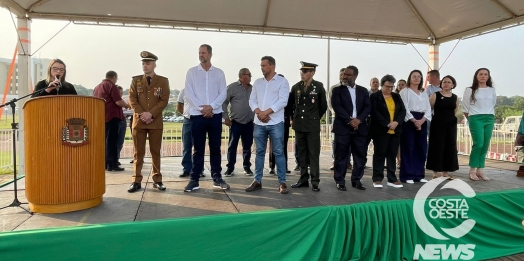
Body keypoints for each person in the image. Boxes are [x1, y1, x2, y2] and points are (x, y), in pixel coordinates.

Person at [183, 44, 229, 192]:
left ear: (210, 54)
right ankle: (194, 179)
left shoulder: (219, 73)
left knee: (215, 148)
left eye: (203, 52)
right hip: (198, 116)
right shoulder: (191, 72)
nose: (201, 55)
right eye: (199, 53)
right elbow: (188, 94)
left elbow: (223, 93)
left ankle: (217, 178)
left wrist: (212, 107)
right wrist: (203, 108)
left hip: (215, 116)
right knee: (198, 149)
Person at [246, 56, 290, 194]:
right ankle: (257, 180)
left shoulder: (282, 81)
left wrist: (267, 112)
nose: (261, 68)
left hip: (276, 122)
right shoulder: (258, 83)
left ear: (272, 66)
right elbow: (252, 99)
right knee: (259, 152)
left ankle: (282, 182)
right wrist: (259, 112)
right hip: (259, 122)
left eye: (264, 65)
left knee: (278, 152)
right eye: (261, 65)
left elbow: (283, 101)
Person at [127, 51, 170, 193]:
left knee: (155, 152)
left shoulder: (163, 81)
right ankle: (136, 180)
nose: (145, 66)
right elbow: (132, 99)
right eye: (143, 63)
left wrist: (150, 114)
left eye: (148, 63)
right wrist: (142, 114)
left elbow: (164, 100)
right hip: (139, 122)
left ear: (154, 64)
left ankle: (157, 179)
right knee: (138, 153)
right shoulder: (136, 80)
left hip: (155, 122)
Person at [288, 62, 327, 192]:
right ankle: (303, 179)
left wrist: (314, 117)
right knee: (302, 153)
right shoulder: (296, 87)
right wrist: (293, 118)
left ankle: (315, 181)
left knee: (313, 154)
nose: (302, 74)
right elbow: (291, 105)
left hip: (312, 125)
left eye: (305, 72)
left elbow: (323, 106)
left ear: (312, 72)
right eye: (301, 71)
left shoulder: (319, 86)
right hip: (299, 124)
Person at [331, 65, 371, 191]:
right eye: (343, 74)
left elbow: (368, 107)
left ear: (355, 76)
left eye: (348, 75)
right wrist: (350, 121)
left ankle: (356, 180)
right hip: (343, 128)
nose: (344, 76)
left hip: (360, 128)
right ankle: (340, 181)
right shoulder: (337, 90)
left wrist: (359, 120)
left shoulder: (363, 91)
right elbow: (337, 107)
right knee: (341, 156)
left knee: (360, 156)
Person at [370, 75, 406, 188]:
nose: (389, 89)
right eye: (387, 86)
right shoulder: (375, 96)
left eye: (391, 86)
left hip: (395, 130)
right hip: (381, 130)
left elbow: (402, 111)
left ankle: (392, 178)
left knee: (392, 154)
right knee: (380, 154)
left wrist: (396, 122)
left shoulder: (396, 96)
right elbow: (375, 112)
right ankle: (377, 178)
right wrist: (387, 124)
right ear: (382, 85)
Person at [462, 68, 496, 181]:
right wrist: (471, 118)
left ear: (488, 76)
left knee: (485, 144)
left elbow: (493, 103)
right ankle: (472, 169)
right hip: (475, 117)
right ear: (476, 76)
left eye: (485, 74)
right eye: (480, 74)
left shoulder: (491, 90)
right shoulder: (470, 90)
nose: (483, 76)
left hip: (489, 117)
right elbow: (465, 107)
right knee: (479, 143)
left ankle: (480, 169)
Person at [399, 70, 432, 184]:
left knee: (421, 147)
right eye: (414, 76)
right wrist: (414, 120)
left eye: (419, 76)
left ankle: (419, 174)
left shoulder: (423, 92)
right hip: (409, 120)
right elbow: (404, 108)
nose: (416, 78)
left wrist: (422, 121)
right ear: (410, 78)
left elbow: (428, 108)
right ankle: (407, 175)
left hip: (422, 120)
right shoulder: (405, 91)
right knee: (408, 147)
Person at [94, 71, 129, 172]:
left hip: (102, 117)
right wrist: (127, 105)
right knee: (112, 142)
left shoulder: (97, 87)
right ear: (114, 77)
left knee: (105, 141)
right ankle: (112, 164)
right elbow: (118, 101)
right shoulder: (111, 86)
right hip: (112, 117)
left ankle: (105, 163)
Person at [223, 68, 255, 176]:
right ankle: (230, 168)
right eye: (249, 75)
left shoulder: (253, 89)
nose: (250, 77)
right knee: (232, 146)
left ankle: (247, 167)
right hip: (236, 122)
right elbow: (224, 102)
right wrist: (225, 117)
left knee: (247, 146)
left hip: (250, 122)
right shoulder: (232, 87)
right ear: (242, 76)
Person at [426, 75, 459, 179]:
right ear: (441, 83)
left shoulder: (455, 97)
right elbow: (429, 108)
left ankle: (445, 172)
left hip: (451, 125)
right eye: (444, 82)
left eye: (449, 82)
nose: (446, 84)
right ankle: (435, 172)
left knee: (449, 147)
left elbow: (455, 110)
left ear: (453, 85)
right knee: (437, 146)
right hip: (437, 124)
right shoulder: (435, 95)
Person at [177, 89, 205, 178]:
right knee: (187, 146)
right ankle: (187, 169)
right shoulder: (184, 91)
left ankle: (199, 169)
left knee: (199, 147)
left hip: (200, 120)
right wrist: (186, 114)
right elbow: (179, 106)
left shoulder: (202, 90)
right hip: (188, 120)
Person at [328, 68, 352, 171]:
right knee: (336, 141)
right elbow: (330, 103)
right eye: (341, 74)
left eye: (345, 74)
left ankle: (348, 161)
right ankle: (335, 160)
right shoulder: (334, 88)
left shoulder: (352, 88)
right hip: (337, 118)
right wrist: (336, 112)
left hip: (350, 119)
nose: (343, 76)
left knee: (350, 140)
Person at [269, 73, 292, 175]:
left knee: (283, 145)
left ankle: (284, 166)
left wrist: (291, 119)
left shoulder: (289, 95)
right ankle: (272, 166)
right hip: (273, 121)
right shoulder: (271, 94)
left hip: (284, 121)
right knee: (273, 145)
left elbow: (291, 108)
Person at [116, 86, 131, 166]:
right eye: (119, 93)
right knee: (114, 141)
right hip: (116, 121)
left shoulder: (124, 100)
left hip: (123, 120)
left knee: (120, 141)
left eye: (122, 93)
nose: (121, 95)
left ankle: (117, 158)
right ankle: (113, 159)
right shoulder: (116, 101)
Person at [395, 79, 406, 168]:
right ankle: (399, 161)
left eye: (403, 84)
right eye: (399, 85)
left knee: (404, 142)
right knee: (397, 143)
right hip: (396, 121)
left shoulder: (408, 95)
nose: (401, 86)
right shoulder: (394, 96)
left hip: (406, 120)